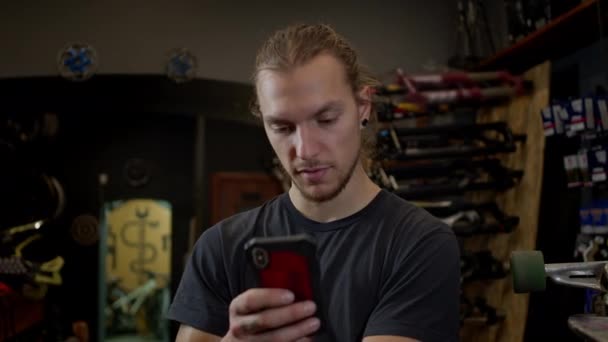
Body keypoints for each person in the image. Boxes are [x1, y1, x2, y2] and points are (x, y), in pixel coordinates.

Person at [168, 23, 461, 342]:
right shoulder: (220, 249)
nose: (305, 150)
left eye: (325, 120)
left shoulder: (420, 244)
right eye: (282, 127)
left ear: (363, 107)